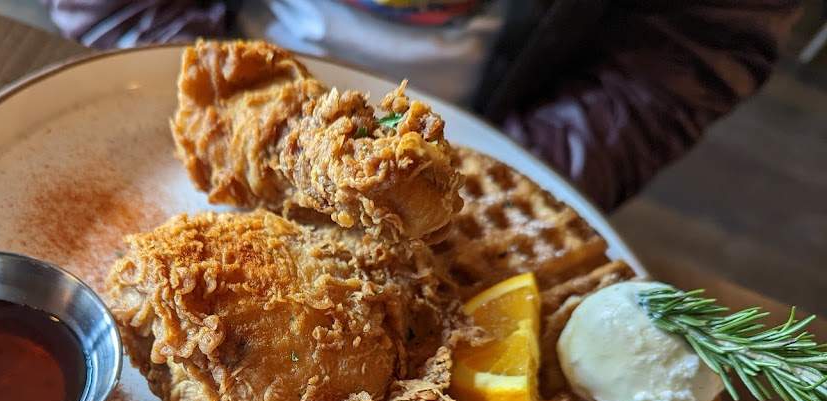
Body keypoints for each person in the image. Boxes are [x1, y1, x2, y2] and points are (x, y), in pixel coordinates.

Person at [41, 0, 802, 211]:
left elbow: (689, 52)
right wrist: (215, 102)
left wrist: (496, 184)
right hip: (212, 61)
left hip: (513, 128)